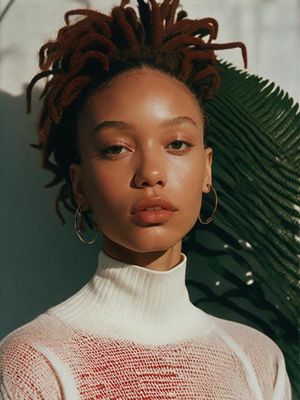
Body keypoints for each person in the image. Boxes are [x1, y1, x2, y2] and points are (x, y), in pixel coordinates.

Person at [0, 0, 291, 399]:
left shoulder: (257, 361)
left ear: (206, 169)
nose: (151, 173)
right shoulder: (36, 362)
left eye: (176, 143)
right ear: (80, 184)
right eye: (116, 148)